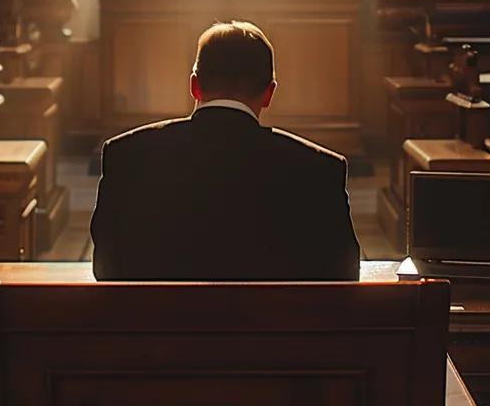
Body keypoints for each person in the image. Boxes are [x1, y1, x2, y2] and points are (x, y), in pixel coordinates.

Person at [91, 21, 360, 281]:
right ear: (269, 94)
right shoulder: (320, 170)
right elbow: (343, 276)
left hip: (153, 325)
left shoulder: (126, 156)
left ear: (194, 86)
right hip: (277, 326)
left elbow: (106, 268)